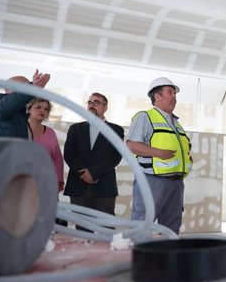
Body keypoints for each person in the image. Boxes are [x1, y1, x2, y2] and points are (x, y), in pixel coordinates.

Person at [126, 77, 192, 235]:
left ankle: (168, 258)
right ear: (157, 96)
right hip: (152, 180)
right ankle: (138, 257)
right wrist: (159, 153)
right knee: (143, 222)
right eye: (170, 92)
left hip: (176, 182)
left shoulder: (176, 123)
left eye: (175, 93)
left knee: (172, 225)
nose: (174, 96)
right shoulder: (145, 117)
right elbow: (132, 145)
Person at [63, 92, 124, 229]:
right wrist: (84, 174)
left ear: (105, 107)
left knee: (106, 227)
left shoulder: (116, 130)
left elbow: (115, 156)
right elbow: (69, 154)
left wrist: (93, 172)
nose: (92, 105)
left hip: (104, 185)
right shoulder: (75, 129)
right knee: (82, 228)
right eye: (89, 102)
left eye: (96, 102)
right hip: (78, 184)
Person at [0, 70, 50, 138]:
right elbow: (3, 108)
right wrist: (33, 86)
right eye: (25, 87)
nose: (29, 91)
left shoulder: (21, 112)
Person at [26, 98, 64, 192]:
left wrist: (58, 181)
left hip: (46, 182)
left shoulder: (50, 132)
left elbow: (57, 158)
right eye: (38, 107)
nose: (42, 110)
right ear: (29, 109)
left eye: (46, 109)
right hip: (23, 181)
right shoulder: (19, 128)